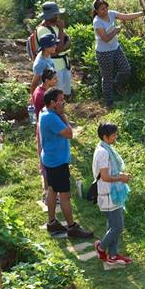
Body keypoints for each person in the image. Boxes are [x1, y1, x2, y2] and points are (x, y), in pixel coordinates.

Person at [39, 88, 93, 239]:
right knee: (65, 196)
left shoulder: (45, 113)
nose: (64, 103)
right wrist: (63, 115)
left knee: (52, 190)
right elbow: (69, 134)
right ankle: (72, 227)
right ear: (52, 103)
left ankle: (52, 223)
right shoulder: (52, 117)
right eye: (61, 101)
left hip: (50, 159)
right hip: (57, 162)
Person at [92, 123, 132, 267]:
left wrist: (120, 175)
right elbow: (105, 176)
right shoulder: (103, 152)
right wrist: (121, 178)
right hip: (108, 194)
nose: (116, 137)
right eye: (114, 135)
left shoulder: (105, 148)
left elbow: (109, 173)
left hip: (112, 192)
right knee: (117, 227)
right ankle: (101, 248)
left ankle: (113, 255)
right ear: (105, 137)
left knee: (113, 225)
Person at [92, 0, 142, 109]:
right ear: (96, 11)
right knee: (107, 77)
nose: (105, 11)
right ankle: (109, 102)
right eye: (102, 9)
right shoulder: (97, 22)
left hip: (116, 48)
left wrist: (141, 13)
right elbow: (105, 38)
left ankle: (117, 84)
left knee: (126, 69)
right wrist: (115, 31)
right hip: (103, 52)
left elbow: (126, 16)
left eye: (106, 8)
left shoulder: (111, 14)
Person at [36, 2, 73, 96]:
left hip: (64, 64)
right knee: (55, 95)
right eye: (56, 14)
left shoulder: (55, 26)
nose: (58, 16)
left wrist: (61, 48)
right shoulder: (43, 30)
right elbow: (55, 50)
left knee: (64, 93)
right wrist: (61, 30)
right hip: (54, 67)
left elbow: (68, 41)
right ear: (49, 16)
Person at [31, 68, 57, 201]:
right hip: (44, 129)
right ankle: (48, 193)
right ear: (47, 80)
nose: (56, 81)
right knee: (46, 161)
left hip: (41, 127)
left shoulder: (38, 90)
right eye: (54, 79)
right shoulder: (42, 95)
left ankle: (47, 191)